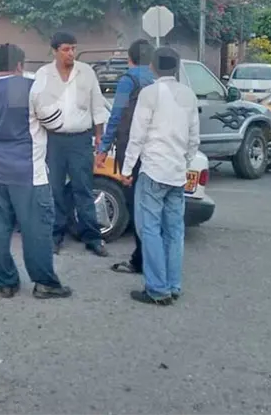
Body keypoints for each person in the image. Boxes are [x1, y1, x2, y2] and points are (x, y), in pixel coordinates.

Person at [0, 43, 71, 299]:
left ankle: (6, 282)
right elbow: (56, 123)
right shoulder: (31, 89)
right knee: (37, 230)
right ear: (20, 65)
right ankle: (45, 283)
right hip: (28, 174)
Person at [121, 47, 200, 305]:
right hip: (177, 173)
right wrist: (183, 162)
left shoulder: (149, 93)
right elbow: (193, 139)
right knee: (174, 232)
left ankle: (157, 289)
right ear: (176, 68)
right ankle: (173, 285)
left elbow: (137, 135)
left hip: (153, 170)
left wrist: (126, 169)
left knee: (150, 230)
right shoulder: (188, 95)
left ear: (153, 67)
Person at [31, 32, 110, 257]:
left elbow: (98, 107)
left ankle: (92, 237)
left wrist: (99, 138)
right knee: (54, 189)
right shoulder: (43, 74)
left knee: (83, 188)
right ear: (55, 50)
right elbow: (35, 107)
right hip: (53, 140)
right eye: (66, 49)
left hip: (80, 140)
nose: (71, 54)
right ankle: (56, 236)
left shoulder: (86, 72)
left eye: (73, 49)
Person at [96, 38, 154, 276]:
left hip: (130, 149)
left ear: (129, 59)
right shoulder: (158, 81)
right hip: (155, 152)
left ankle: (140, 259)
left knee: (135, 204)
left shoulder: (128, 81)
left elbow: (116, 115)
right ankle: (151, 257)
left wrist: (103, 149)